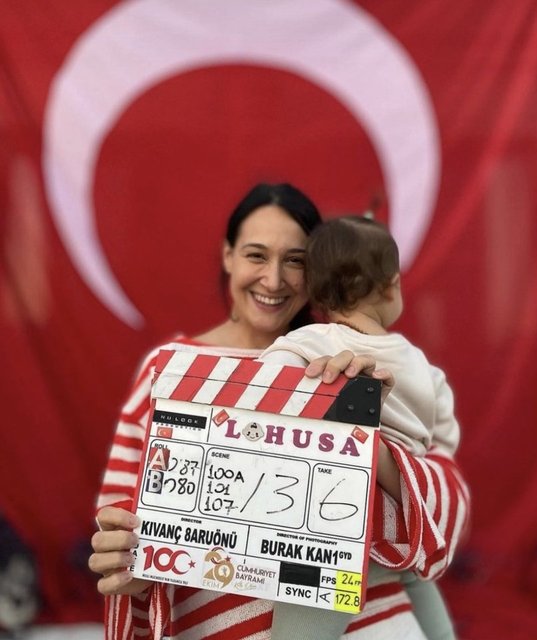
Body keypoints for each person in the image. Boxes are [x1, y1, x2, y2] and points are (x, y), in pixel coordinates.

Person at [89, 183, 398, 640]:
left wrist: (366, 413)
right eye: (256, 255)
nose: (273, 280)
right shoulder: (169, 369)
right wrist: (125, 555)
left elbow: (398, 519)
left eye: (295, 261)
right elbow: (117, 511)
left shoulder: (344, 366)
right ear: (228, 256)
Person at [261, 215, 466, 639]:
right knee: (422, 590)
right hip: (405, 523)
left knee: (304, 623)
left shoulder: (308, 345)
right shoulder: (424, 368)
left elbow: (266, 393)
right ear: (391, 286)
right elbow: (444, 439)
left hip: (335, 523)